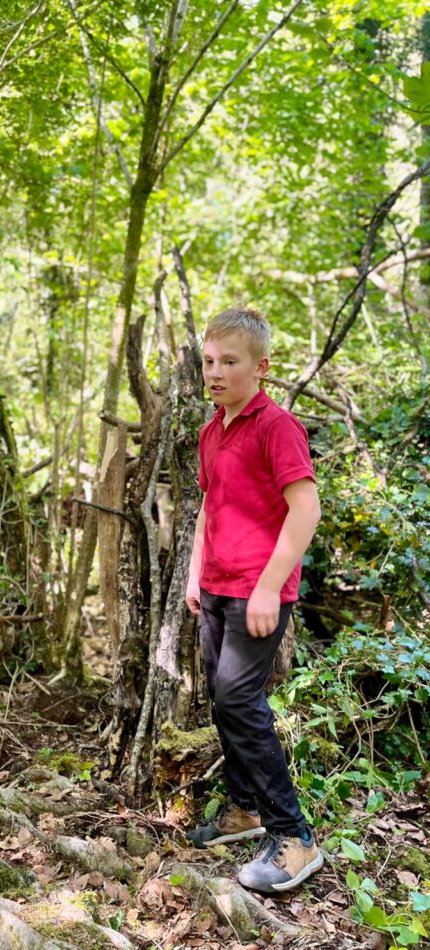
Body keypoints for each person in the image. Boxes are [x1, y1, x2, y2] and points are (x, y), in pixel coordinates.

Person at [184, 307, 323, 894]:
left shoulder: (277, 427)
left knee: (240, 701)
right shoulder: (211, 432)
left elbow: (306, 508)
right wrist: (196, 573)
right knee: (223, 702)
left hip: (257, 591)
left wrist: (269, 587)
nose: (215, 373)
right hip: (216, 587)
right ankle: (244, 810)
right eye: (209, 361)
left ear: (260, 367)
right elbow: (209, 507)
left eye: (229, 362)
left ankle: (294, 837)